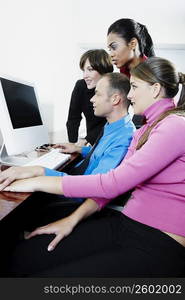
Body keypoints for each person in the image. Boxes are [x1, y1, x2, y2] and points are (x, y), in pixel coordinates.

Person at [1, 57, 185, 277]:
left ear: (155, 89)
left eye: (134, 87)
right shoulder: (146, 128)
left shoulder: (175, 126)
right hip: (127, 224)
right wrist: (70, 221)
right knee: (22, 257)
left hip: (157, 242)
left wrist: (39, 177)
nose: (130, 95)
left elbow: (111, 183)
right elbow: (117, 180)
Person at [0, 72, 135, 205]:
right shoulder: (116, 127)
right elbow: (105, 152)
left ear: (115, 99)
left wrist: (39, 171)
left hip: (78, 199)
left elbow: (93, 187)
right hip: (77, 184)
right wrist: (79, 149)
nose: (92, 99)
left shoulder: (124, 138)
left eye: (98, 94)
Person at [107, 18, 155, 128]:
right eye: (109, 49)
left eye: (114, 47)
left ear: (133, 44)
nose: (111, 54)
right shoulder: (124, 71)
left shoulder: (151, 71)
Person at [66, 49, 113, 146]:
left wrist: (88, 139)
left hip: (109, 140)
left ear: (104, 70)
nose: (85, 76)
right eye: (84, 70)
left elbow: (111, 121)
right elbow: (73, 118)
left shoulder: (114, 88)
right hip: (92, 142)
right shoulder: (81, 86)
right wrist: (72, 144)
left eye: (90, 70)